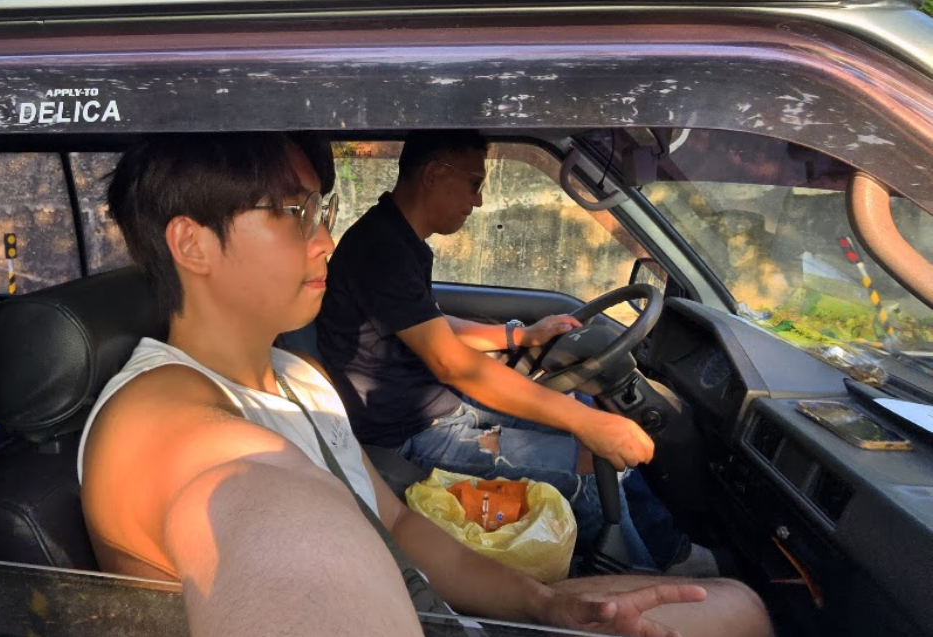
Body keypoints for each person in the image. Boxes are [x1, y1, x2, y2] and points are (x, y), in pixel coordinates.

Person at [78, 131, 772, 637]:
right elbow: (264, 514)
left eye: (321, 211)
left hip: (430, 609)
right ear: (192, 243)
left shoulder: (296, 376)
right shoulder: (160, 424)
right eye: (294, 213)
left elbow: (399, 525)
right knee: (738, 612)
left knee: (735, 601)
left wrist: (544, 603)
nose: (325, 241)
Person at [316, 130, 708, 574]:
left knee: (586, 412)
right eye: (473, 184)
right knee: (588, 468)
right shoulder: (382, 250)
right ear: (433, 174)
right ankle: (655, 580)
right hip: (409, 435)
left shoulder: (397, 239)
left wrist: (519, 336)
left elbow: (431, 325)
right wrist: (587, 423)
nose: (479, 200)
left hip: (440, 406)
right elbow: (452, 364)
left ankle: (671, 549)